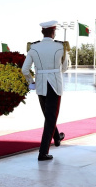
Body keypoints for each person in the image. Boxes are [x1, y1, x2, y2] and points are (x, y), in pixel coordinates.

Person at [22, 20, 68, 161]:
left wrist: (31, 82)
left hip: (41, 85)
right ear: (53, 32)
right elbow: (65, 68)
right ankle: (43, 152)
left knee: (48, 116)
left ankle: (57, 137)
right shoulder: (61, 47)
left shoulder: (33, 48)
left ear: (43, 32)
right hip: (55, 85)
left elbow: (24, 69)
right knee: (50, 118)